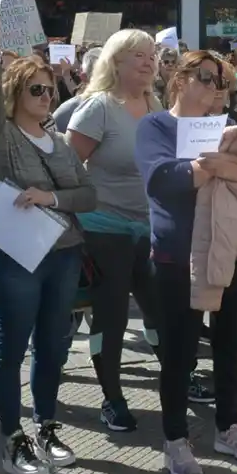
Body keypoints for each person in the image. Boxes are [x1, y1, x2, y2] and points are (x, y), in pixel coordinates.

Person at [136, 50, 237, 474]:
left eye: (222, 81)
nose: (216, 87)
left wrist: (218, 165)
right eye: (207, 77)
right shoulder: (155, 126)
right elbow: (164, 179)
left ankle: (228, 426)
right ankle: (175, 439)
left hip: (230, 249)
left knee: (230, 344)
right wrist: (227, 165)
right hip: (178, 256)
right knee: (180, 352)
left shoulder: (227, 127)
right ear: (180, 79)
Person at [0, 5, 95, 474]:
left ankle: (45, 425)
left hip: (63, 254)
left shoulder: (58, 142)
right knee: (11, 349)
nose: (46, 97)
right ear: (15, 93)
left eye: (50, 89)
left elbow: (88, 195)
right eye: (36, 90)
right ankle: (12, 438)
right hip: (14, 255)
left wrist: (51, 197)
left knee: (52, 346)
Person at [65, 29, 160, 433]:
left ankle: (179, 376)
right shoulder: (98, 107)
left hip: (149, 227)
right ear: (115, 62)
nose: (149, 61)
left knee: (161, 309)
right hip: (103, 226)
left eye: (152, 55)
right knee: (113, 314)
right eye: (138, 54)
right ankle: (112, 398)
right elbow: (67, 168)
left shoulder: (156, 105)